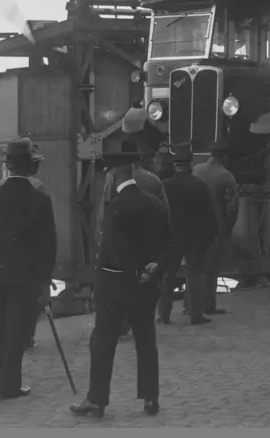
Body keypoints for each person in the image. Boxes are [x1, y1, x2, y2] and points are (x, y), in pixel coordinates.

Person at [70, 150, 174, 418]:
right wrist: (154, 267)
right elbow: (168, 243)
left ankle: (97, 399)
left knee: (103, 342)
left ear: (112, 175)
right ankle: (151, 398)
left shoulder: (115, 207)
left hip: (115, 286)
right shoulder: (155, 204)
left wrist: (134, 268)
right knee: (146, 343)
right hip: (146, 287)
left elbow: (117, 247)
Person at [0, 138, 58, 400]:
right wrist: (44, 278)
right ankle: (11, 384)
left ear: (7, 167)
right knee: (18, 329)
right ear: (31, 168)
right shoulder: (40, 200)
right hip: (26, 276)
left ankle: (0, 374)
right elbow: (48, 245)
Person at [160, 142, 217, 326]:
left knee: (168, 276)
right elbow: (209, 214)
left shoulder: (165, 186)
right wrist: (210, 236)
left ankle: (164, 315)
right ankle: (195, 315)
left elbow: (161, 212)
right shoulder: (198, 185)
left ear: (175, 165)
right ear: (190, 164)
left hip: (171, 237)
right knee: (194, 276)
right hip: (194, 238)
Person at [193, 139, 239, 317]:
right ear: (225, 156)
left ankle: (191, 304)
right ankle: (207, 305)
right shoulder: (226, 176)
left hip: (194, 227)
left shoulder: (196, 170)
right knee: (210, 269)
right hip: (215, 228)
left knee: (194, 268)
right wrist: (227, 227)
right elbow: (232, 206)